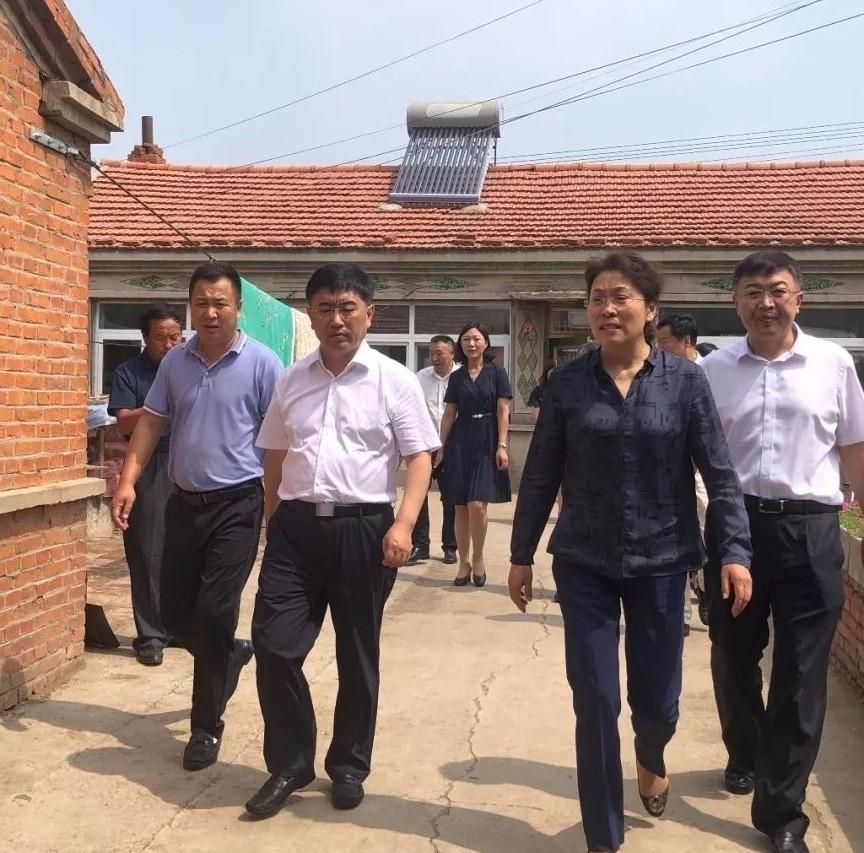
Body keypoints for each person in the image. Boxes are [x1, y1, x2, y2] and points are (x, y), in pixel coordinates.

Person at [508, 252, 752, 853]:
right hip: (584, 560)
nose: (607, 308)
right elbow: (540, 474)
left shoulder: (685, 382)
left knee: (658, 700)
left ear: (651, 310)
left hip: (664, 560)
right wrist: (520, 553)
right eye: (597, 298)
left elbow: (720, 474)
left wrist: (734, 550)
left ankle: (651, 751)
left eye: (621, 297)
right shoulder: (567, 384)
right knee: (594, 697)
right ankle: (603, 838)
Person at [245, 263, 439, 819]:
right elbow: (276, 453)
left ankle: (350, 766)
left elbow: (420, 457)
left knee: (357, 654)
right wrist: (273, 519)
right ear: (311, 315)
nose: (337, 319)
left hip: (364, 530)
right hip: (296, 530)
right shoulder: (291, 379)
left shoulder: (393, 380)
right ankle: (290, 763)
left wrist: (403, 524)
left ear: (368, 315)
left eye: (347, 308)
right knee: (274, 646)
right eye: (325, 308)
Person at [701, 250, 864, 853]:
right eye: (752, 292)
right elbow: (695, 456)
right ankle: (745, 751)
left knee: (801, 674)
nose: (765, 303)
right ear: (735, 302)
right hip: (734, 530)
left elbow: (854, 447)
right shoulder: (713, 370)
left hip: (811, 531)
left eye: (776, 290)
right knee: (733, 656)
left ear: (799, 298)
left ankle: (782, 812)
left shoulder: (833, 363)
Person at [111, 261, 282, 772]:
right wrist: (128, 481)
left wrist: (275, 510)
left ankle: (206, 726)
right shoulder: (175, 364)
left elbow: (279, 444)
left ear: (238, 308)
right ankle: (227, 655)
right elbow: (150, 424)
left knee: (214, 613)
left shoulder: (263, 364)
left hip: (237, 505)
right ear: (191, 307)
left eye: (220, 303)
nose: (210, 312)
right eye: (202, 303)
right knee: (170, 615)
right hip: (183, 503)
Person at [107, 303, 183, 666]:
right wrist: (159, 407)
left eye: (175, 337)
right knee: (148, 550)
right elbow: (124, 422)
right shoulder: (129, 372)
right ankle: (151, 635)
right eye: (161, 338)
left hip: (190, 462)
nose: (169, 345)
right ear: (145, 338)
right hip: (148, 463)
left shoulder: (191, 366)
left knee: (187, 549)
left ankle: (179, 626)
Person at [437, 323, 512, 587]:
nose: (471, 343)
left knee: (477, 505)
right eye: (466, 339)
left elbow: (503, 410)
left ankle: (478, 558)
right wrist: (441, 446)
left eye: (476, 339)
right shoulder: (457, 377)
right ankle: (463, 562)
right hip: (461, 440)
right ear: (461, 344)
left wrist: (502, 445)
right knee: (460, 505)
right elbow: (449, 414)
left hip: (487, 439)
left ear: (486, 343)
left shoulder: (497, 372)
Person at [656, 313, 710, 634]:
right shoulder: (658, 374)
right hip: (672, 472)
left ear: (686, 342)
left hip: (704, 472)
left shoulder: (712, 372)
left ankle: (705, 589)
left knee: (705, 533)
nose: (659, 349)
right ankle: (682, 616)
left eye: (665, 343)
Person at [410, 335, 459, 565]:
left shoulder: (461, 376)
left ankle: (450, 546)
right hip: (425, 445)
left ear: (452, 353)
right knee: (418, 494)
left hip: (453, 445)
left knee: (451, 498)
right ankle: (420, 545)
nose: (435, 358)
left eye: (440, 353)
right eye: (431, 353)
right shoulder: (420, 377)